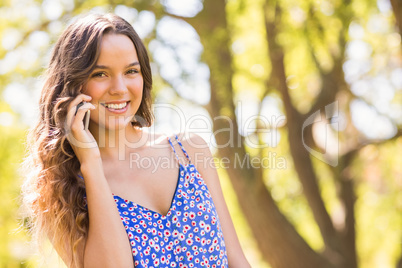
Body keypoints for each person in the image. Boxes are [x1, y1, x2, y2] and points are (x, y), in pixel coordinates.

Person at [22, 13, 250, 268]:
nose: (120, 88)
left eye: (131, 71)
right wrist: (92, 164)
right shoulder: (61, 190)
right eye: (100, 74)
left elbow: (237, 260)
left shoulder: (189, 150)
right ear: (72, 85)